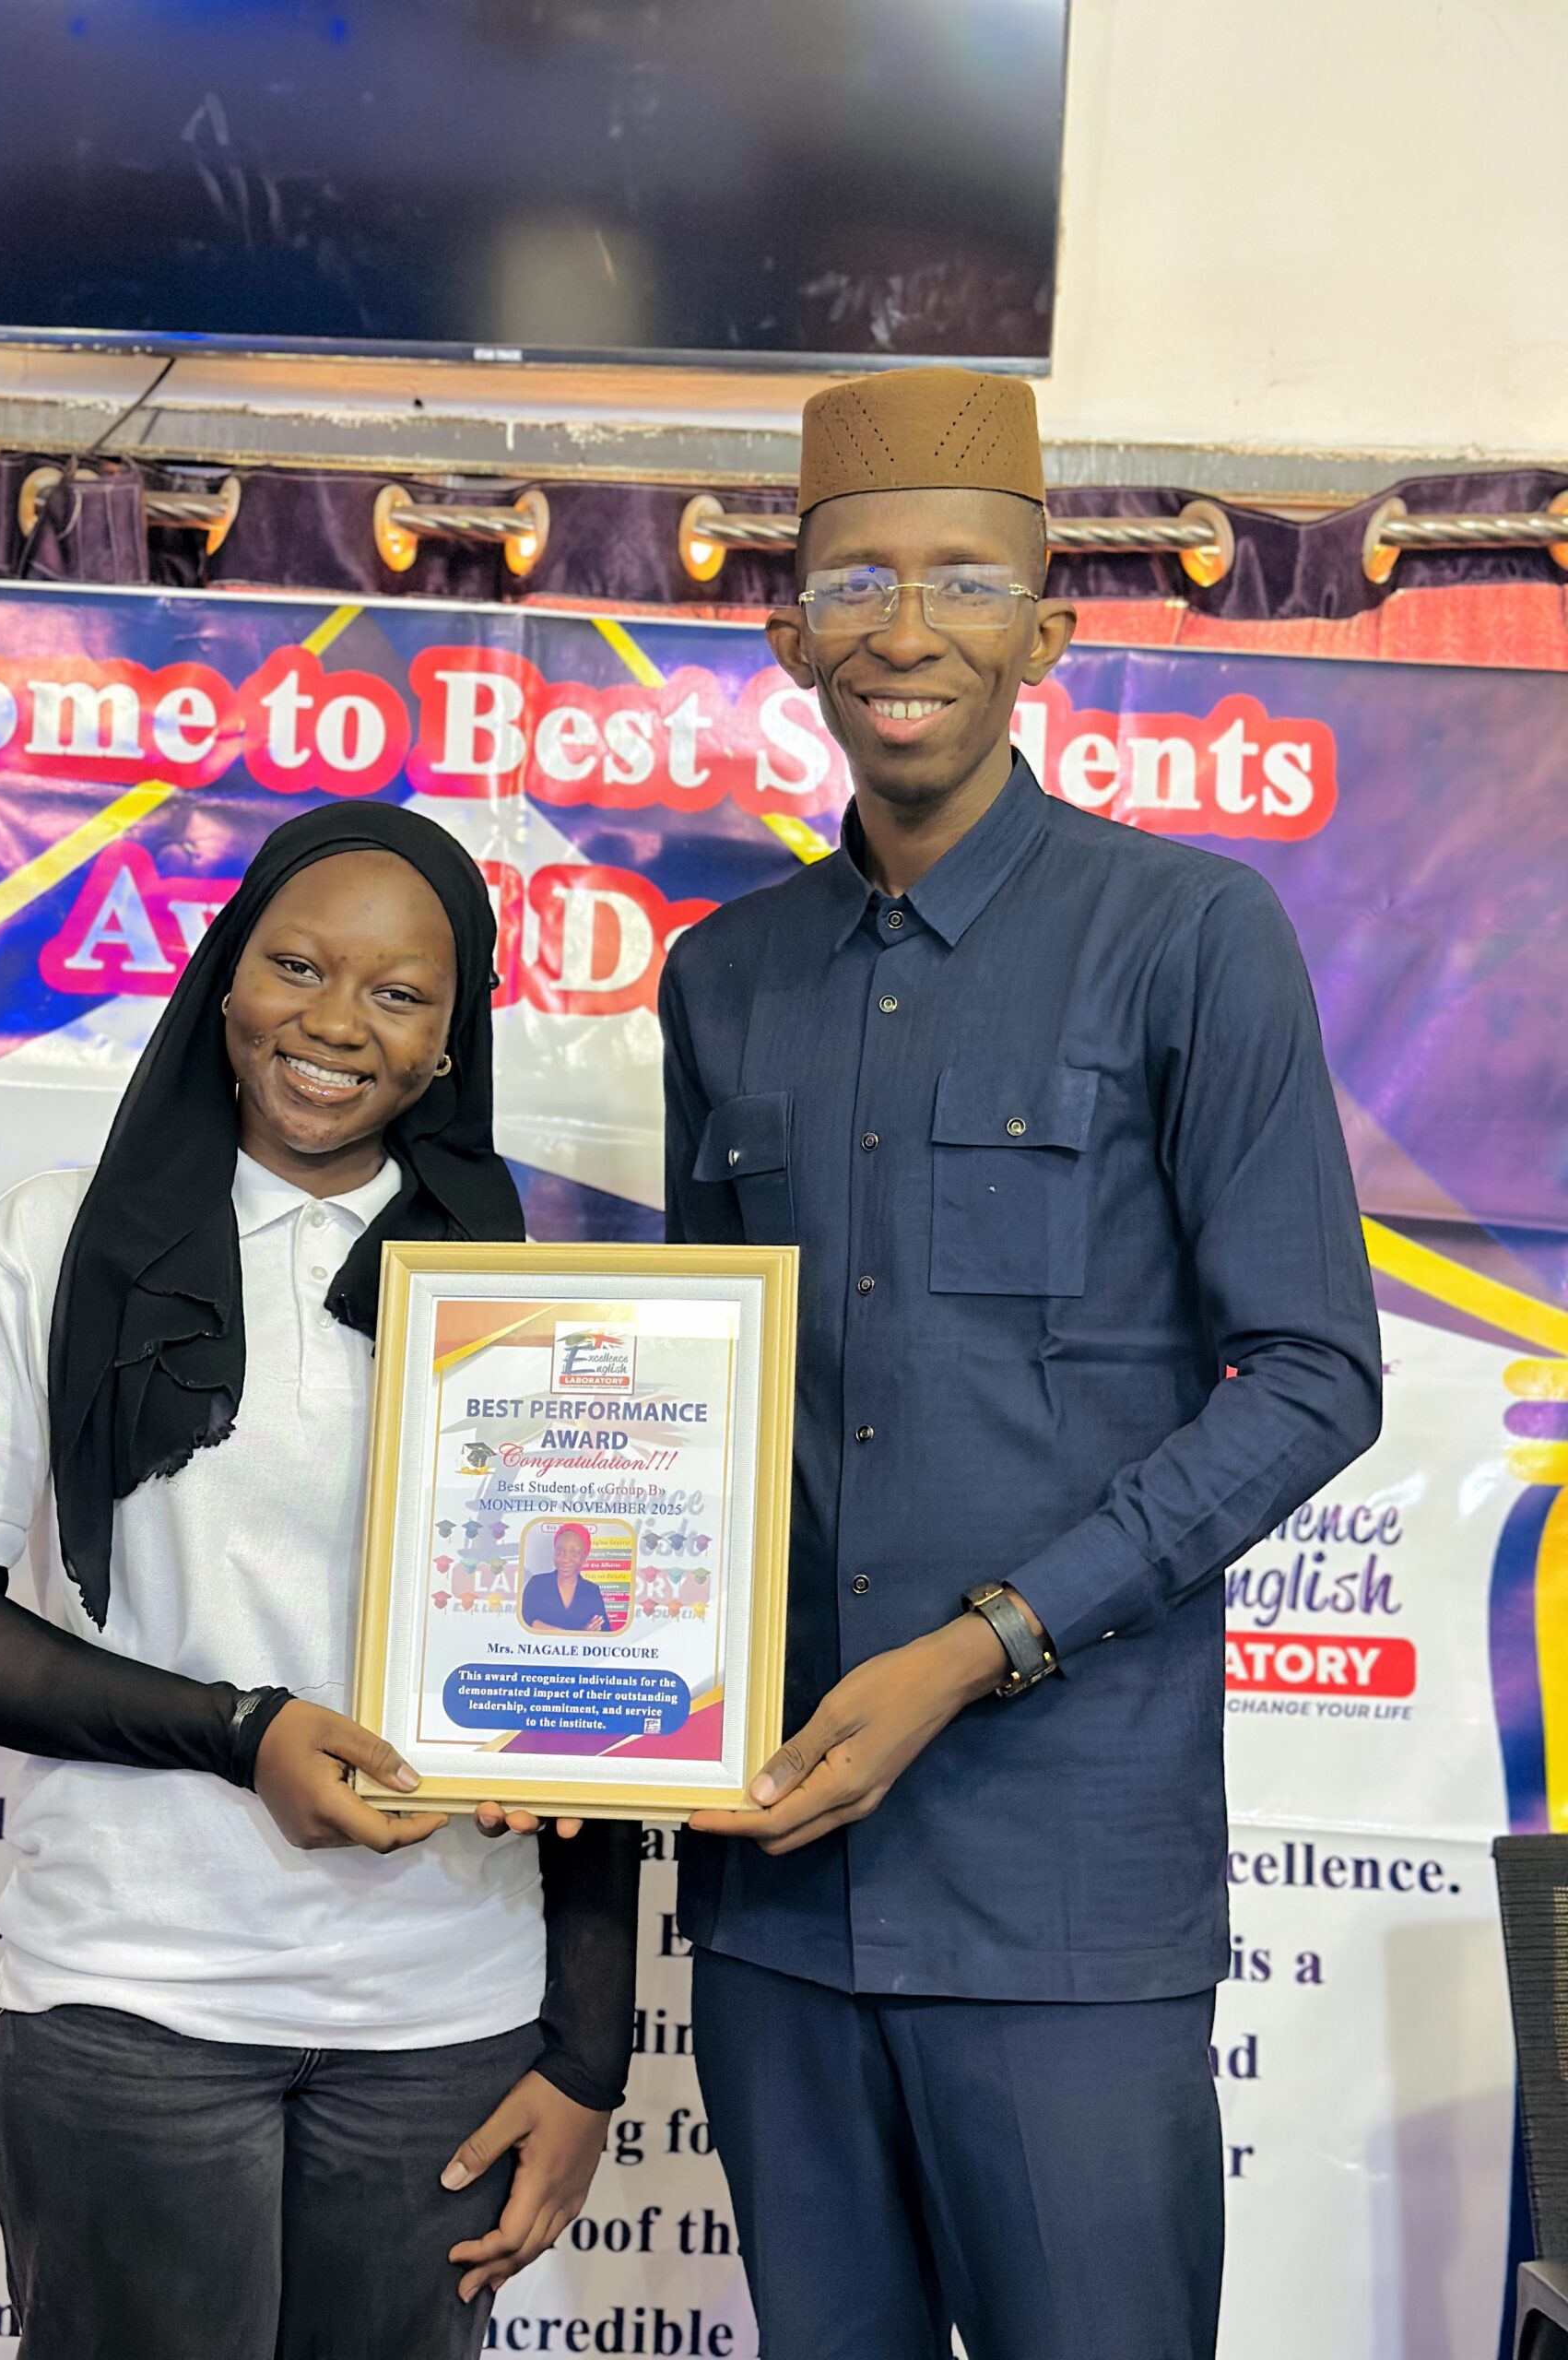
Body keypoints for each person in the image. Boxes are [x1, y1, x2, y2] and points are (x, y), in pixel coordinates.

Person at [659, 369, 1382, 2360]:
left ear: (1046, 633)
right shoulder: (722, 977)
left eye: (967, 581)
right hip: (779, 1888)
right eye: (857, 584)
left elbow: (1314, 1373)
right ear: (788, 634)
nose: (908, 630)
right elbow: (692, 1403)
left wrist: (980, 1646)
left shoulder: (1191, 933)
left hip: (1065, 1895)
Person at [0, 803, 639, 2360]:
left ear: (450, 1042)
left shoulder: (531, 1301)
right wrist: (245, 1732)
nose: (336, 1022)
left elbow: (597, 1702)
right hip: (131, 2003)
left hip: (442, 2024)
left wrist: (588, 2058)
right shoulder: (49, 1248)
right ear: (224, 977)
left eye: (399, 993)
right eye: (296, 965)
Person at [524, 1521, 610, 1633]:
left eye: (574, 1554)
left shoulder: (592, 1591)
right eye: (559, 1552)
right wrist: (580, 1634)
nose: (565, 1559)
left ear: (584, 1558)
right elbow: (525, 1623)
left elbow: (605, 1633)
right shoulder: (537, 1584)